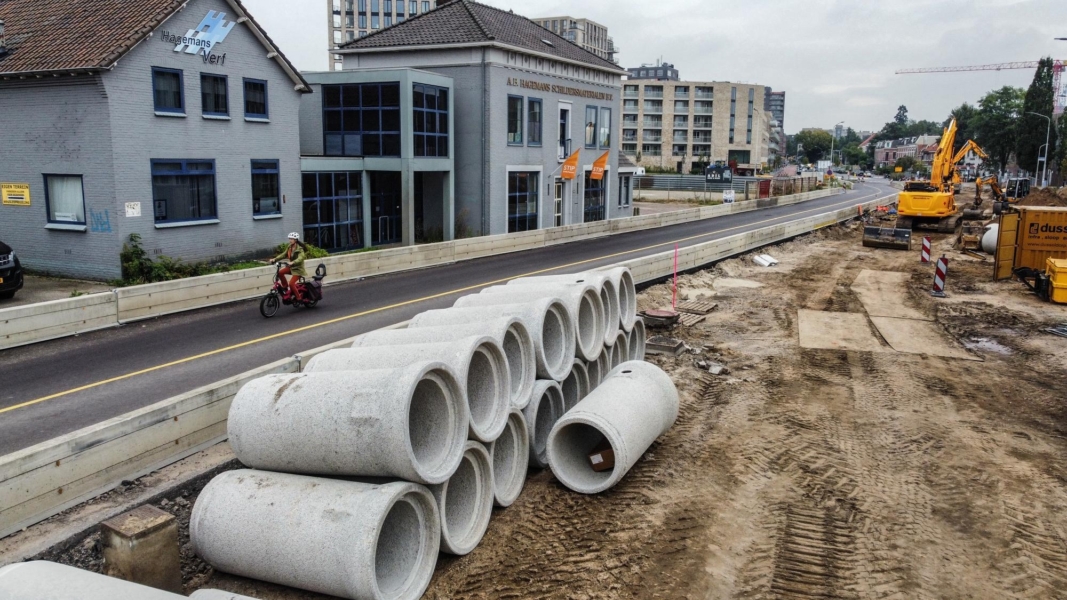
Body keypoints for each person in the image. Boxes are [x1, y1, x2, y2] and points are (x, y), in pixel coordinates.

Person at [270, 232, 308, 301]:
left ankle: (298, 298)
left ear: (296, 240)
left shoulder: (300, 249)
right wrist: (274, 259)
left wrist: (293, 262)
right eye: (289, 238)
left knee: (291, 284)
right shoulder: (289, 247)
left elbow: (301, 258)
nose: (290, 240)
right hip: (291, 267)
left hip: (298, 269)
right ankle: (285, 287)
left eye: (292, 239)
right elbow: (283, 255)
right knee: (280, 273)